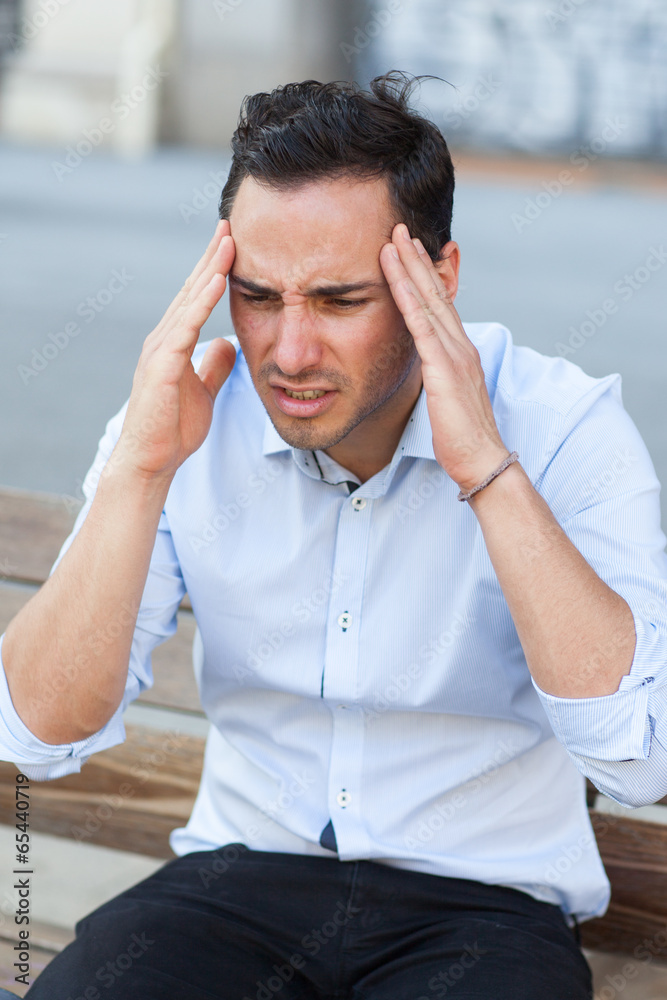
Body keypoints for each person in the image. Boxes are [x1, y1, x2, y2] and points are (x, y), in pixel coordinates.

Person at [1, 73, 666, 999]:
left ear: (437, 280)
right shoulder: (183, 420)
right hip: (233, 887)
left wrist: (485, 468)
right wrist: (141, 472)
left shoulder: (561, 426)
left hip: (480, 910)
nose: (290, 352)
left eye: (339, 300)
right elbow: (36, 737)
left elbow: (639, 758)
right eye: (256, 295)